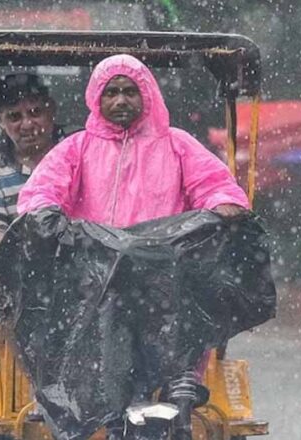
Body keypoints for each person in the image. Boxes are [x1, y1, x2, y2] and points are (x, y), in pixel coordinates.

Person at [16, 54, 249, 440]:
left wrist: (223, 205)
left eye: (129, 91)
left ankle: (179, 383)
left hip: (162, 277)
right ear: (96, 99)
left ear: (147, 95)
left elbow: (215, 185)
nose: (120, 101)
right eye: (111, 93)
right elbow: (42, 190)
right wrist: (44, 212)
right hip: (94, 279)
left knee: (185, 313)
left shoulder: (177, 145)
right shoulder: (77, 148)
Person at [0, 73, 73, 317]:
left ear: (51, 111)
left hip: (77, 253)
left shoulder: (79, 148)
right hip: (18, 261)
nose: (27, 125)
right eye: (15, 117)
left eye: (35, 112)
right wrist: (35, 259)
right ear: (0, 121)